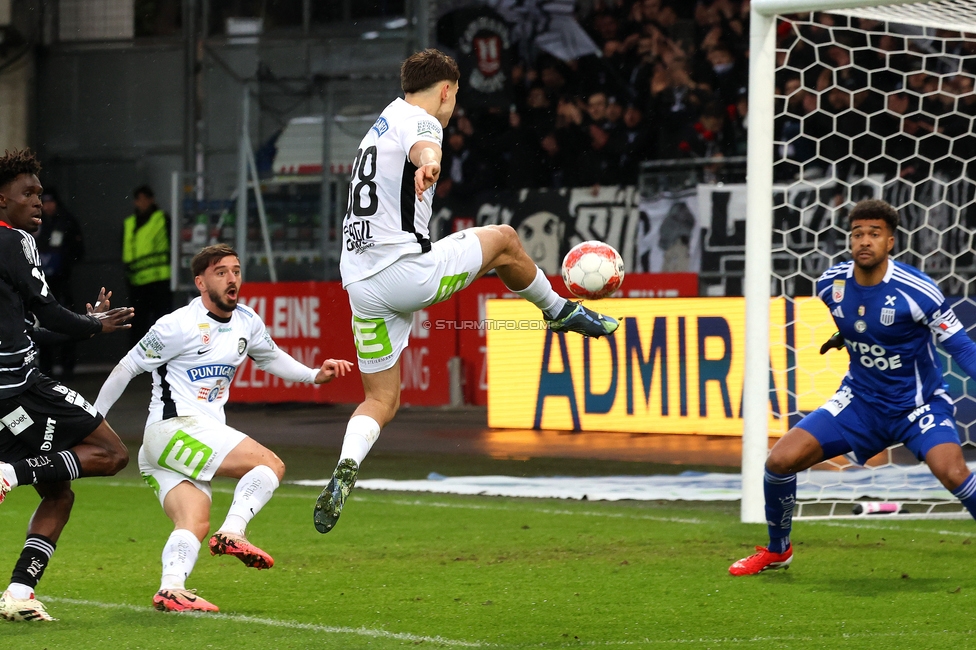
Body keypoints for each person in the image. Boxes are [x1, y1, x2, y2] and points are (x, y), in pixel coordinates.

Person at [313, 48, 619, 535]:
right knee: (505, 241)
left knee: (381, 400)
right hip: (405, 273)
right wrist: (429, 165)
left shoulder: (381, 123)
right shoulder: (423, 119)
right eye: (454, 98)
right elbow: (425, 146)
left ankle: (345, 469)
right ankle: (558, 310)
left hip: (361, 285)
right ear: (447, 90)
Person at [94, 243, 353, 613]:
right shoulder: (176, 325)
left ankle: (171, 588)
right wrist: (93, 419)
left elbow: (271, 357)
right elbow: (126, 368)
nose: (232, 279)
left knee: (194, 520)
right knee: (270, 465)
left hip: (163, 451)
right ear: (200, 282)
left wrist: (314, 375)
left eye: (236, 270)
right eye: (221, 273)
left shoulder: (247, 321)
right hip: (173, 427)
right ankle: (233, 532)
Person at [730, 199, 976, 576]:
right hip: (859, 403)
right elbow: (860, 319)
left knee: (955, 473)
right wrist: (842, 337)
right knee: (779, 461)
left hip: (918, 407)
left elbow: (960, 346)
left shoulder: (919, 291)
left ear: (890, 242)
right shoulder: (831, 284)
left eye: (874, 234)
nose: (864, 241)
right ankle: (778, 550)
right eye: (857, 233)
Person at [0, 149, 134, 621]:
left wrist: (86, 320)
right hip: (19, 389)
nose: (38, 201)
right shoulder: (13, 241)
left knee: (59, 492)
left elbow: (30, 328)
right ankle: (8, 474)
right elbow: (49, 312)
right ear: (2, 199)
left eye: (39, 193)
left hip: (5, 396)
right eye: (28, 193)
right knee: (113, 454)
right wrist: (93, 327)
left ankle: (19, 593)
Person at [35, 190, 85, 379]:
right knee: (44, 323)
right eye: (44, 202)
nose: (47, 206)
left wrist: (62, 261)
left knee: (66, 321)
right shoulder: (36, 222)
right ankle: (46, 368)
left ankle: (67, 367)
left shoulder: (67, 221)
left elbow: (79, 251)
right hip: (42, 284)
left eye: (50, 202)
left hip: (62, 282)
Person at [123, 185, 172, 343]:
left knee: (162, 324)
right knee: (138, 326)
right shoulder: (129, 223)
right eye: (139, 199)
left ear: (152, 200)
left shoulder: (161, 218)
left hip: (159, 280)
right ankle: (138, 363)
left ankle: (163, 363)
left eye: (145, 199)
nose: (142, 203)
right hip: (137, 282)